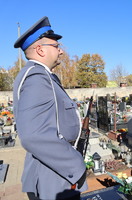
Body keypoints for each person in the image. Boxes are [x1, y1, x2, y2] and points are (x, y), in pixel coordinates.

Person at [13, 16, 87, 200]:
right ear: (40, 49)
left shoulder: (43, 76)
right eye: (56, 46)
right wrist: (75, 165)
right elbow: (33, 135)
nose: (61, 51)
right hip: (54, 176)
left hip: (54, 172)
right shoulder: (37, 78)